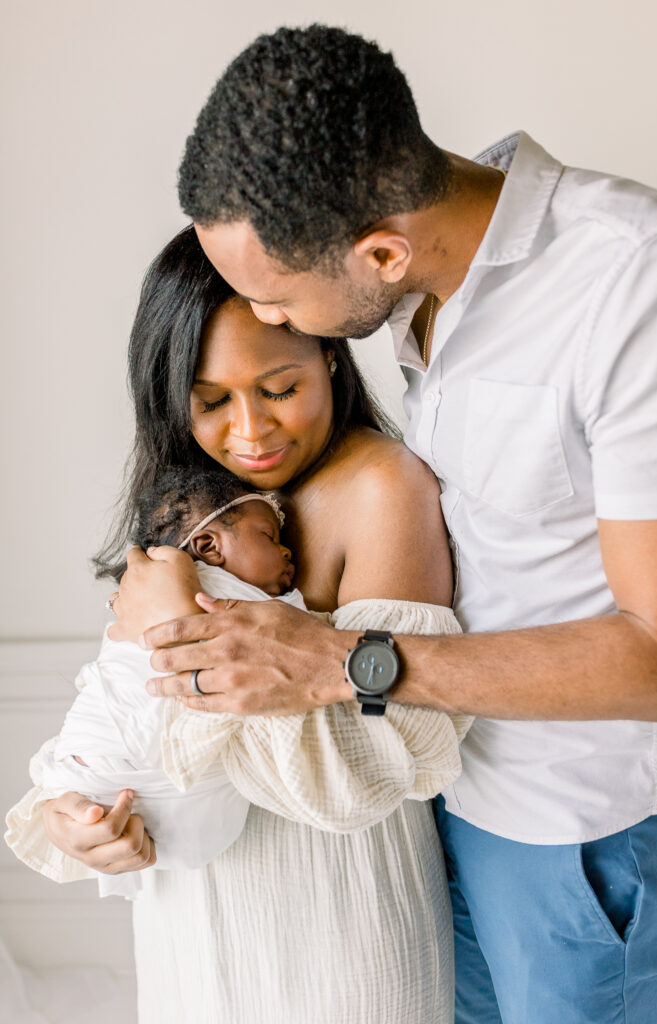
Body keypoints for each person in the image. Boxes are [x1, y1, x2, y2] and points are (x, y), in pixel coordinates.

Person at [44, 24, 657, 1024]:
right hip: (445, 818)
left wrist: (342, 659)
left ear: (375, 249)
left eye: (273, 299)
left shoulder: (630, 278)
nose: (265, 316)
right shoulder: (418, 285)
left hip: (568, 826)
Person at [31, 226, 472, 1023]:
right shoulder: (196, 507)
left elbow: (381, 767)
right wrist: (74, 811)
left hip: (337, 932)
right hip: (189, 925)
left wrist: (195, 644)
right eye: (209, 401)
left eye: (277, 390)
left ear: (329, 361)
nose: (250, 432)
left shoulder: (380, 488)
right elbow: (122, 706)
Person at [5, 468, 305, 898]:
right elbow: (147, 659)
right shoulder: (174, 576)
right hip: (113, 768)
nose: (289, 551)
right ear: (208, 546)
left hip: (154, 816)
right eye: (269, 537)